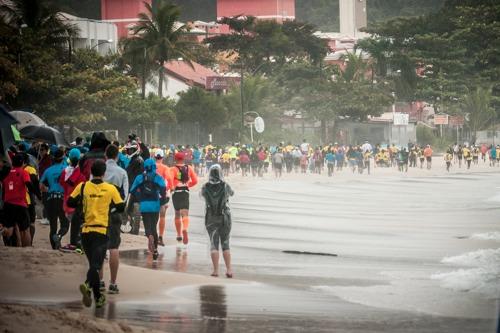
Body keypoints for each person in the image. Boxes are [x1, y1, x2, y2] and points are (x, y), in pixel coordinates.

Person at [68, 160, 125, 308]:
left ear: (91, 172)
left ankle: (98, 298)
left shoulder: (83, 187)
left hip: (86, 232)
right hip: (101, 231)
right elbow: (121, 206)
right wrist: (108, 206)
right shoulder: (111, 188)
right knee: (96, 265)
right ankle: (87, 286)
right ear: (104, 173)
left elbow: (70, 202)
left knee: (94, 265)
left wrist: (83, 203)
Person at [102, 144, 129, 294]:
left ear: (106, 155)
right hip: (115, 212)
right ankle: (112, 283)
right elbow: (125, 196)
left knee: (99, 246)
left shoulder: (99, 170)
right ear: (117, 156)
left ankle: (99, 282)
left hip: (99, 212)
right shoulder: (122, 172)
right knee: (114, 247)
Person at [201, 165, 234, 278]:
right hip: (225, 217)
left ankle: (215, 270)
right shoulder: (225, 186)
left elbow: (202, 196)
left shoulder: (205, 187)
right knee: (225, 243)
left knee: (214, 244)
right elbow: (232, 193)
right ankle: (229, 270)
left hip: (211, 217)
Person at [130, 158, 168, 260]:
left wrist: (139, 197)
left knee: (147, 227)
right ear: (154, 166)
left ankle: (149, 236)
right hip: (155, 205)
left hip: (145, 205)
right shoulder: (157, 177)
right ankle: (155, 250)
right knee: (154, 227)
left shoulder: (140, 177)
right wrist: (162, 201)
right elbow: (164, 189)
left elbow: (132, 190)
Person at [1, 154, 33, 247]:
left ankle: (2, 230)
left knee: (9, 229)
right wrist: (35, 194)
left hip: (7, 204)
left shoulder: (6, 173)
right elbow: (28, 184)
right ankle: (27, 248)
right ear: (23, 163)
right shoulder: (24, 172)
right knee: (25, 230)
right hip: (20, 204)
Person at [40, 149, 69, 250]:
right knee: (65, 223)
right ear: (63, 158)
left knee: (53, 226)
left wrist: (49, 189)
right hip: (62, 199)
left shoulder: (48, 170)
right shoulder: (67, 169)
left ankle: (54, 248)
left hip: (51, 199)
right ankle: (59, 236)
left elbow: (41, 186)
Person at [59, 148, 86, 252]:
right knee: (78, 224)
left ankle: (74, 243)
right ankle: (77, 243)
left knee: (73, 223)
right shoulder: (80, 173)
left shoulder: (64, 171)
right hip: (77, 202)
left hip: (67, 201)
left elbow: (62, 183)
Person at [171, 152, 198, 247]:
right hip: (185, 192)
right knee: (185, 213)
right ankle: (185, 228)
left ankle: (178, 235)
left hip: (176, 193)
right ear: (184, 159)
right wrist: (188, 185)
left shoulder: (172, 169)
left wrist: (171, 188)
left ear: (175, 159)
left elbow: (169, 181)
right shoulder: (189, 168)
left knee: (177, 214)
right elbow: (195, 181)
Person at [153, 149, 172, 247]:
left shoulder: (151, 166)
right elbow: (169, 180)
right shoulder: (165, 168)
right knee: (162, 216)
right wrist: (168, 190)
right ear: (163, 157)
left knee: (153, 216)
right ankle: (160, 237)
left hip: (152, 194)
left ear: (155, 157)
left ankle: (152, 236)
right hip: (162, 194)